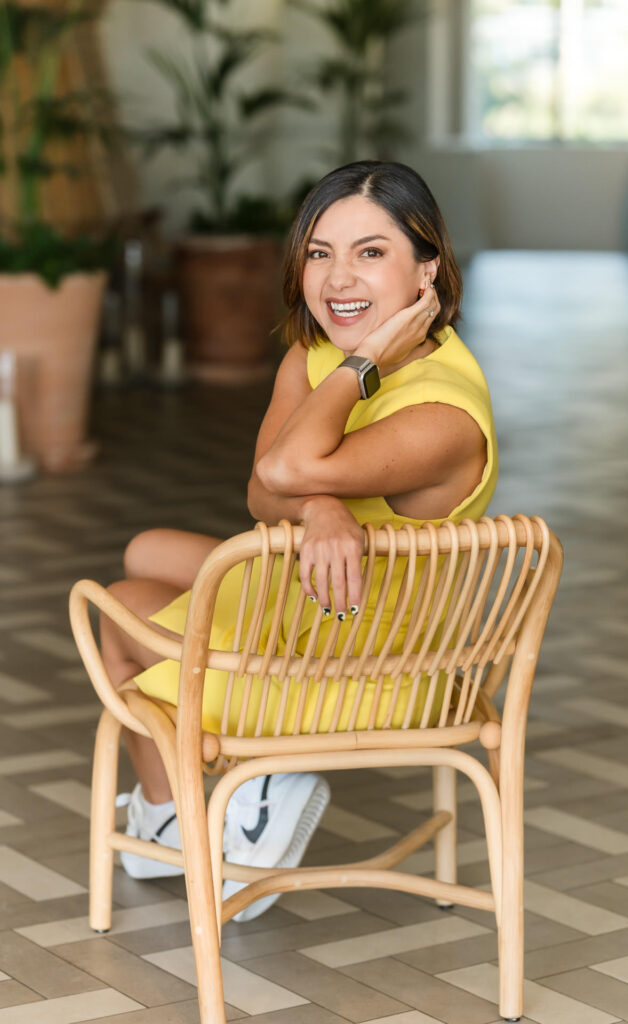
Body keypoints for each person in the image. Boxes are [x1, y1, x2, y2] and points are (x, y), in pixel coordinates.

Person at [102, 160, 498, 921]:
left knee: (117, 609)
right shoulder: (310, 356)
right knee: (145, 549)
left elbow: (284, 466)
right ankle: (199, 816)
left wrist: (362, 366)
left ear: (428, 269)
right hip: (316, 600)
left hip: (375, 660)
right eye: (320, 252)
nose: (337, 277)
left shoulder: (439, 412)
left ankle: (222, 804)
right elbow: (260, 492)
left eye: (370, 252)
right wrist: (323, 508)